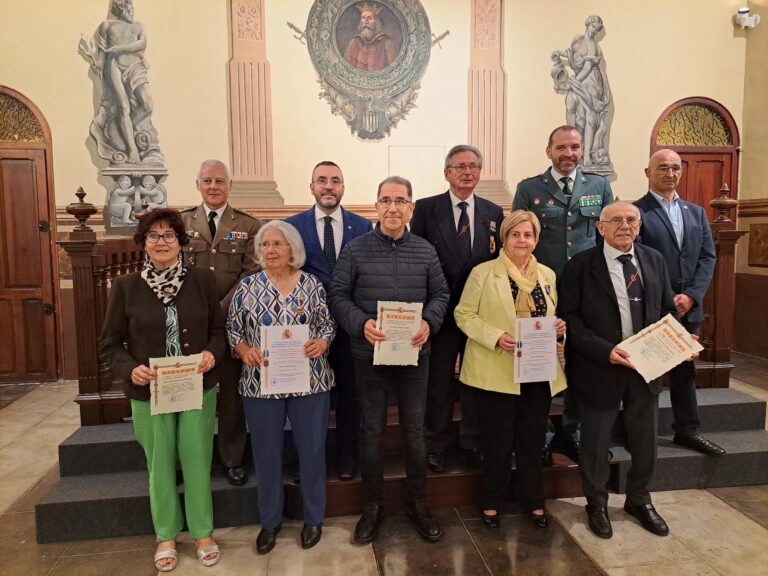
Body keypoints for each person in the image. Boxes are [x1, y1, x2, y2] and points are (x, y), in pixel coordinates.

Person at [100, 208, 224, 571]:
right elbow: (110, 343)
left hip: (196, 387)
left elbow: (219, 332)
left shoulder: (202, 281)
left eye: (169, 235)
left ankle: (203, 532)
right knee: (160, 464)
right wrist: (130, 369)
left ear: (181, 242)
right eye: (153, 236)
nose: (161, 242)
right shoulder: (125, 287)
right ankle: (166, 534)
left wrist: (210, 355)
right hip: (149, 392)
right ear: (143, 243)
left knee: (198, 460)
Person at [329, 176, 449, 544]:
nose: (393, 207)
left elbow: (441, 293)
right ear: (376, 206)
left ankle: (417, 502)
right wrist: (360, 324)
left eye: (400, 200)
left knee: (414, 432)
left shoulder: (426, 251)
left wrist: (429, 323)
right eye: (386, 200)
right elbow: (338, 295)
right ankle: (373, 506)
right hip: (369, 356)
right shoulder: (355, 249)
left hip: (415, 355)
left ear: (411, 207)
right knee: (372, 432)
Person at [558, 201, 678, 539]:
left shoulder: (654, 260)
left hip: (646, 367)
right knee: (595, 443)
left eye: (631, 220)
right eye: (616, 220)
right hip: (600, 366)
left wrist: (678, 342)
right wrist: (606, 351)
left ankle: (639, 499)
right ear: (600, 227)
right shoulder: (580, 266)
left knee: (645, 441)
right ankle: (595, 502)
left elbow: (667, 309)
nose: (625, 226)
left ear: (639, 225)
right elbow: (571, 319)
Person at [227, 220, 336, 553]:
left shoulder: (312, 285)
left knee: (313, 452)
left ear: (292, 249)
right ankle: (270, 522)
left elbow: (327, 325)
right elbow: (232, 331)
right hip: (261, 385)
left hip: (310, 382)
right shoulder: (247, 287)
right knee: (266, 454)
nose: (270, 250)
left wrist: (322, 342)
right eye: (265, 245)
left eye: (277, 244)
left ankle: (314, 518)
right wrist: (244, 350)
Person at [455, 211, 567, 531]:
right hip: (497, 369)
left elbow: (554, 318)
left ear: (536, 239)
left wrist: (559, 329)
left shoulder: (546, 275)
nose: (522, 240)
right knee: (497, 442)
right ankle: (492, 501)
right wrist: (495, 337)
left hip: (537, 369)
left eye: (528, 235)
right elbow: (464, 315)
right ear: (504, 238)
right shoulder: (483, 273)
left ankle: (534, 501)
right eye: (515, 234)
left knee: (532, 442)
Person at [512, 125, 614, 463]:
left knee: (583, 363)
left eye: (574, 147)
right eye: (561, 147)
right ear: (548, 151)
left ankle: (575, 430)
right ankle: (540, 434)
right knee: (539, 364)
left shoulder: (599, 186)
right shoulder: (529, 189)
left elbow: (607, 238)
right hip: (540, 290)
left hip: (586, 289)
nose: (568, 154)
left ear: (581, 149)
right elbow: (519, 237)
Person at [411, 145, 504, 474]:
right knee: (438, 382)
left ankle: (473, 442)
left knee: (476, 380)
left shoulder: (493, 212)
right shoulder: (425, 209)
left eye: (474, 166)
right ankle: (434, 443)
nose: (468, 172)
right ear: (446, 172)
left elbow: (497, 263)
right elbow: (416, 258)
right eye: (460, 167)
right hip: (440, 312)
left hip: (480, 315)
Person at [285, 161, 372, 480]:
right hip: (307, 329)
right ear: (311, 187)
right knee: (307, 395)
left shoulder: (362, 227)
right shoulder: (291, 226)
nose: (328, 186)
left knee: (351, 393)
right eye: (321, 180)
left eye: (335, 181)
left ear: (343, 187)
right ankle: (310, 457)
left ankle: (349, 454)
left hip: (350, 325)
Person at [635, 149, 724, 455]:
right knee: (648, 373)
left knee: (686, 373)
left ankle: (687, 430)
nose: (670, 173)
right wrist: (669, 300)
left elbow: (707, 257)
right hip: (654, 306)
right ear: (648, 173)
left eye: (675, 168)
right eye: (662, 168)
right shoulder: (636, 212)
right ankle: (641, 434)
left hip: (689, 307)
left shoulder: (696, 212)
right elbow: (638, 261)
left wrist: (692, 295)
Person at [180, 160, 262, 487]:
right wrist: (199, 310)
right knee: (189, 393)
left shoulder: (248, 225)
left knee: (231, 395)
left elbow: (251, 273)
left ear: (230, 185)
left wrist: (220, 309)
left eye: (220, 181)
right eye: (207, 181)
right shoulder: (182, 222)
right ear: (197, 184)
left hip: (232, 322)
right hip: (190, 323)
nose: (214, 186)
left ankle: (232, 458)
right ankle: (189, 459)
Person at [551, 15, 612, 170]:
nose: (595, 31)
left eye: (598, 29)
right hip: (580, 79)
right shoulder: (578, 40)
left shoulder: (592, 45)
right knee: (570, 103)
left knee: (590, 118)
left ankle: (585, 156)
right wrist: (559, 53)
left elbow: (587, 68)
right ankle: (571, 141)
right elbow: (571, 53)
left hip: (591, 81)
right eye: (593, 27)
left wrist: (573, 83)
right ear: (588, 25)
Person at [343, 3, 397, 72]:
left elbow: (394, 69)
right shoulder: (354, 42)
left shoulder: (386, 43)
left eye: (370, 18)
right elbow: (346, 67)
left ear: (376, 22)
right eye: (363, 18)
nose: (366, 21)